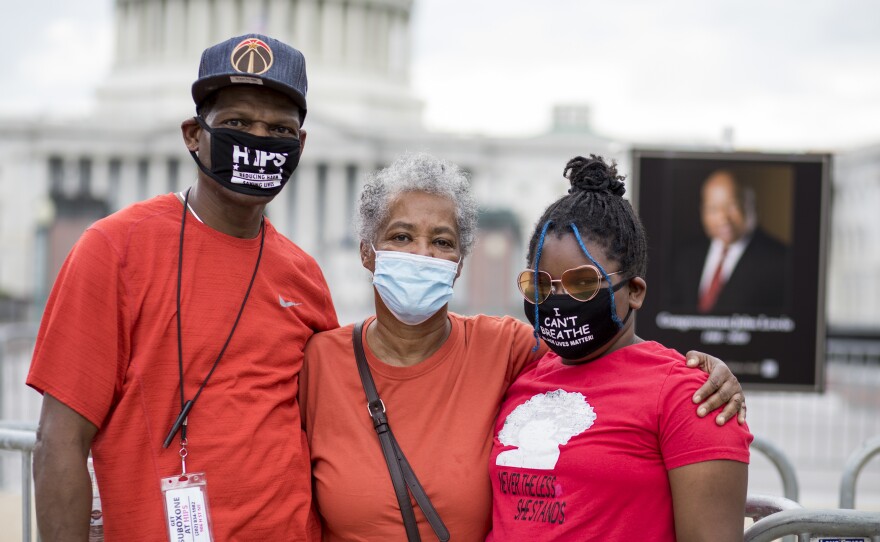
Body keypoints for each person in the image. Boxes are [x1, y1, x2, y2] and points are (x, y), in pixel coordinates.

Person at [299, 153, 747, 541]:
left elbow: (616, 358)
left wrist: (706, 371)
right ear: (366, 251)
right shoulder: (318, 362)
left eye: (441, 242)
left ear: (459, 264)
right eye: (401, 237)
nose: (421, 255)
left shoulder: (506, 349)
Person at [27, 34, 338, 540]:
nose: (258, 140)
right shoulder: (113, 250)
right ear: (194, 134)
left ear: (299, 147)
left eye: (278, 129)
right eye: (237, 123)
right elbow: (60, 440)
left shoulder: (304, 277)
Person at [488, 155, 752, 541]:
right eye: (541, 286)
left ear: (634, 292)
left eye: (582, 284)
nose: (557, 300)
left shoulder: (693, 395)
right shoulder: (521, 373)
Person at [675, 168, 789, 314]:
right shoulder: (686, 257)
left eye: (732, 205)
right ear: (702, 211)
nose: (723, 218)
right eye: (713, 209)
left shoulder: (781, 260)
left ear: (751, 205)